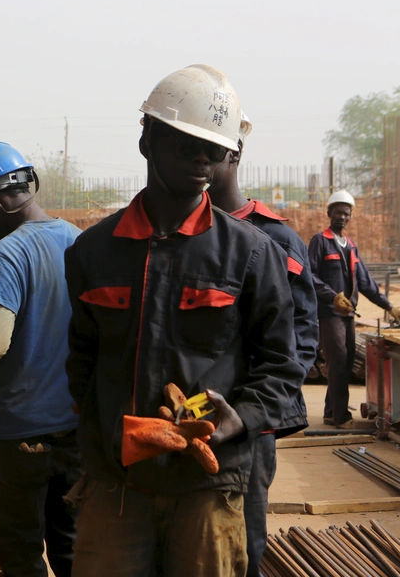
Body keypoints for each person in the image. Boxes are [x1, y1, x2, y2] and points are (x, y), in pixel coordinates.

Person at [65, 65, 305, 577]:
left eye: (214, 150)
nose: (202, 159)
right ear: (147, 139)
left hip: (207, 490)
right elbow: (82, 360)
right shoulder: (93, 252)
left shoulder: (250, 254)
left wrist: (241, 417)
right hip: (116, 486)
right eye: (186, 144)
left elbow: (282, 365)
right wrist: (105, 433)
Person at [0, 141, 82, 577]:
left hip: (20, 435)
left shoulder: (10, 252)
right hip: (78, 433)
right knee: (71, 549)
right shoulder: (78, 241)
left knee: (22, 556)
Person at [208, 113, 319, 577]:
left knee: (244, 541)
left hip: (250, 425)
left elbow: (302, 337)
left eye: (208, 149)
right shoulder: (188, 234)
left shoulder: (275, 238)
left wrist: (259, 406)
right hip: (199, 418)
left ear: (233, 155)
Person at [308, 190, 400, 429]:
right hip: (330, 314)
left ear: (350, 216)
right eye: (338, 212)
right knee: (338, 361)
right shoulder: (320, 241)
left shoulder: (350, 245)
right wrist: (332, 296)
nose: (342, 217)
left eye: (346, 213)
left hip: (348, 315)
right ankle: (341, 417)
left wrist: (389, 307)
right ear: (329, 213)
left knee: (346, 360)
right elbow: (308, 275)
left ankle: (331, 412)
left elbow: (365, 281)